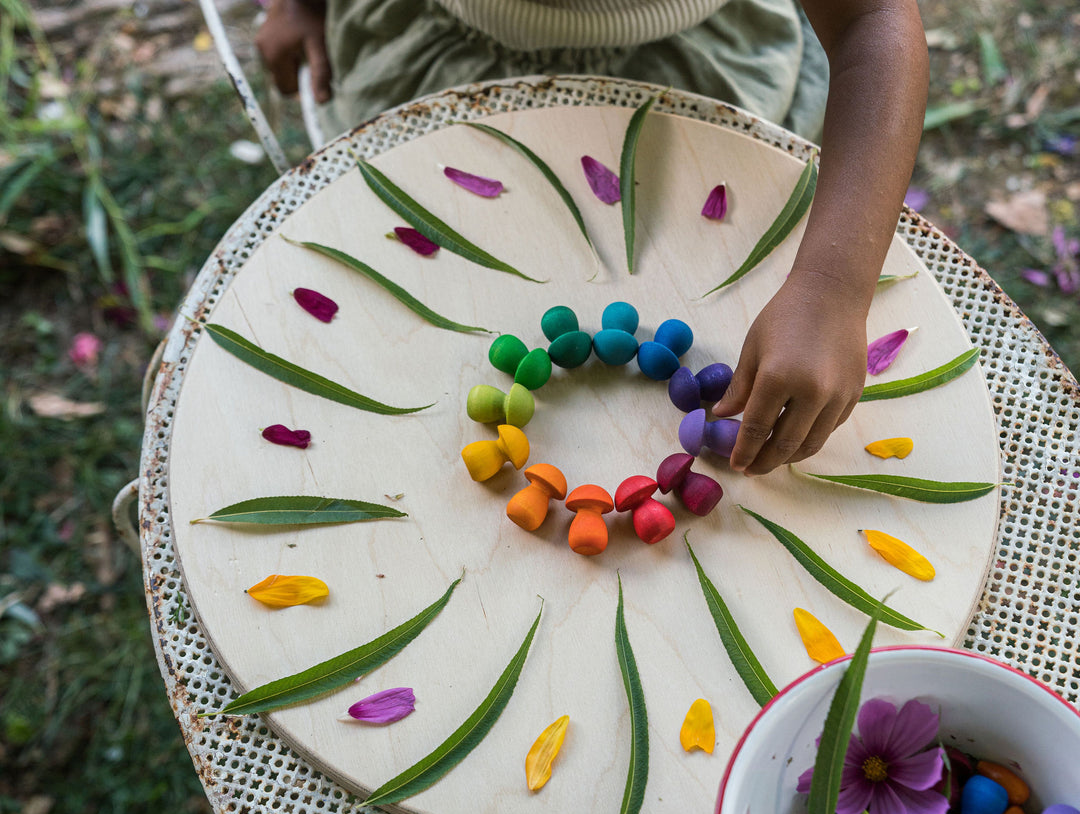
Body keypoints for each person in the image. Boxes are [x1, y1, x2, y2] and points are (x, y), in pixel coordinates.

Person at [256, 0, 928, 477]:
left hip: (692, 68)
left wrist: (832, 289)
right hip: (438, 56)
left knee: (681, 250)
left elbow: (873, 20)